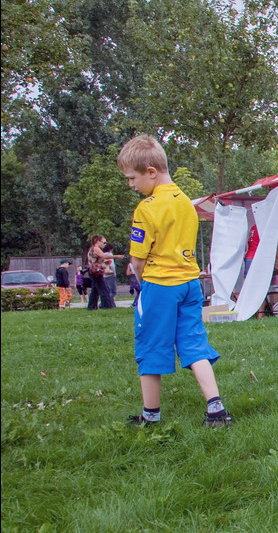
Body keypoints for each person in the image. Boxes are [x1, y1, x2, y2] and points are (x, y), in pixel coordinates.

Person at [118, 134, 233, 428]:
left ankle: (150, 416)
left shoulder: (147, 208)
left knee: (152, 346)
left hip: (159, 287)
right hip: (191, 285)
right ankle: (216, 410)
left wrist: (144, 282)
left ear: (151, 172)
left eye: (132, 178)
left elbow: (137, 260)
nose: (131, 185)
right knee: (194, 345)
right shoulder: (186, 202)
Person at [86, 235, 116, 310]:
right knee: (104, 290)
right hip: (96, 272)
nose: (105, 244)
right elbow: (103, 256)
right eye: (104, 242)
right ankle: (107, 306)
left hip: (93, 271)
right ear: (98, 241)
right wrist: (117, 256)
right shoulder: (96, 248)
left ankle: (92, 306)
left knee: (95, 290)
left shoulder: (92, 249)